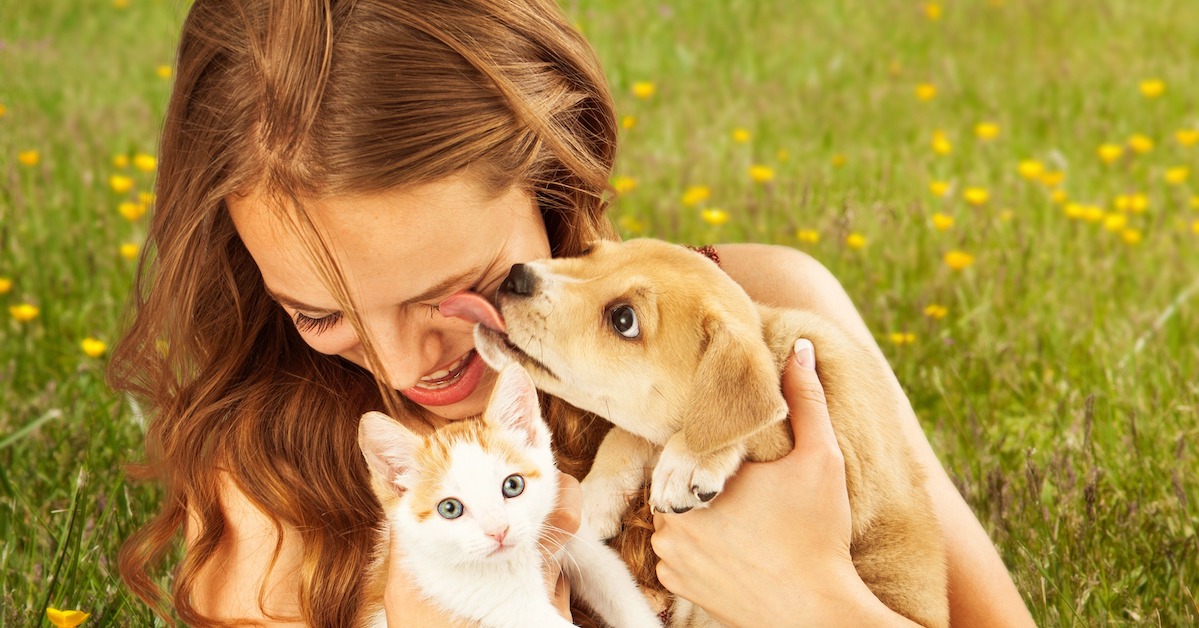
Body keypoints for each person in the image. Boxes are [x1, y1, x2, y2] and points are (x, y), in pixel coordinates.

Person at [109, 0, 1036, 626]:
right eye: (320, 316)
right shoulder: (277, 499)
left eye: (451, 290)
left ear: (557, 173)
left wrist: (813, 597)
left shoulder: (764, 324)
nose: (403, 366)